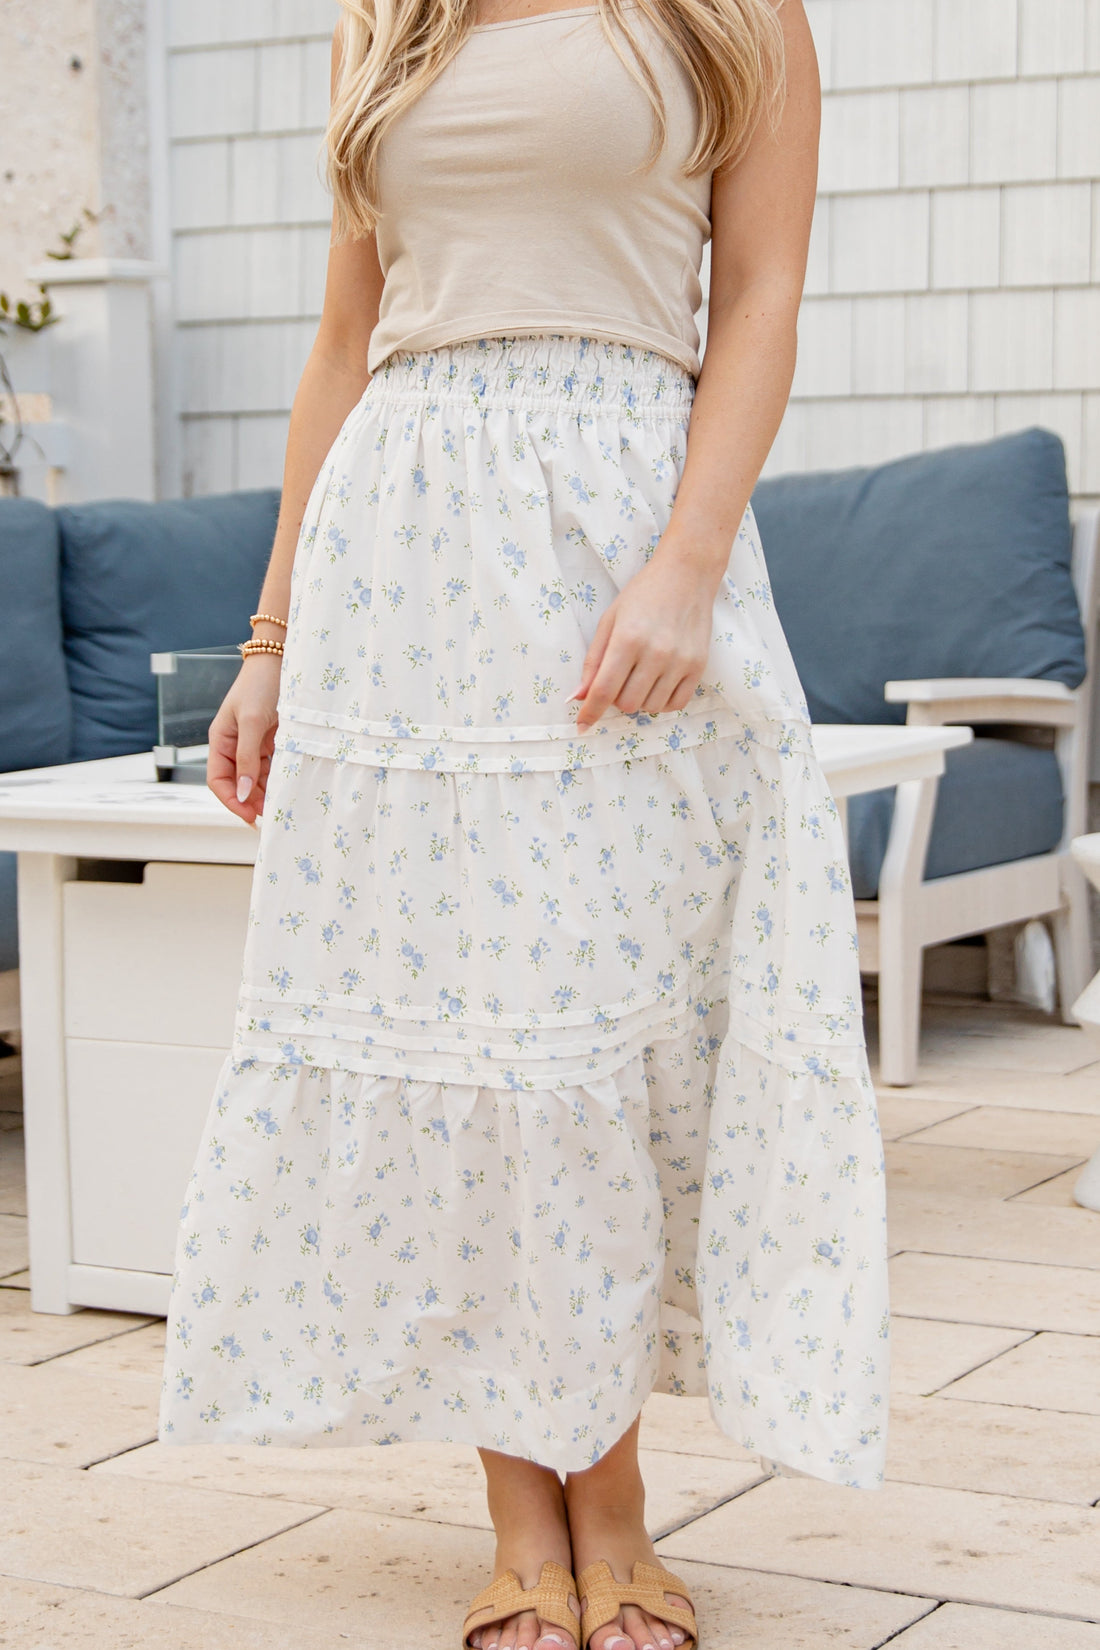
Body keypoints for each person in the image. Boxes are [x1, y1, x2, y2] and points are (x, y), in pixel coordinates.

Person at [157, 1, 890, 1646]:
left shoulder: (725, 16)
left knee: (593, 1038)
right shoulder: (384, 23)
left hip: (619, 532)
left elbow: (762, 295)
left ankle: (612, 1505)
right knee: (470, 1039)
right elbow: (342, 348)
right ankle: (521, 1516)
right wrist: (270, 644)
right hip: (401, 564)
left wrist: (692, 558)